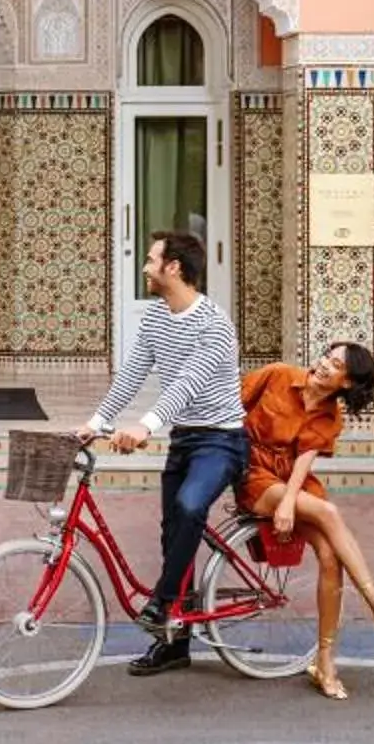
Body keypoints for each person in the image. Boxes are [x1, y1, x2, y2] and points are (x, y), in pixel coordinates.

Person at [78, 228, 249, 675]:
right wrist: (97, 422)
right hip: (185, 440)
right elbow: (132, 374)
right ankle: (175, 645)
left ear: (174, 268)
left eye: (152, 260)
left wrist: (146, 426)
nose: (146, 267)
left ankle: (163, 603)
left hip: (221, 439)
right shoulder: (155, 317)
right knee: (173, 534)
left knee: (190, 507)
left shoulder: (214, 323)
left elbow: (186, 384)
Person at [238, 345, 374, 698]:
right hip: (252, 473)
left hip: (292, 483)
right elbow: (229, 408)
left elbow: (304, 462)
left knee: (329, 555)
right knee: (330, 512)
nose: (323, 366)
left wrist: (290, 501)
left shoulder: (330, 416)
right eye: (326, 357)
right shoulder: (277, 375)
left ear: (347, 383)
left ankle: (325, 659)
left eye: (335, 366)